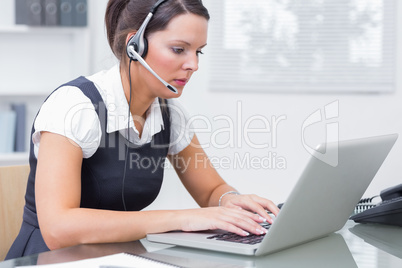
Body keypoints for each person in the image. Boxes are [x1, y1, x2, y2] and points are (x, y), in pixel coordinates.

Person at [6, 0, 279, 259]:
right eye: (178, 49)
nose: (193, 65)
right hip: (49, 258)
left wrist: (231, 201)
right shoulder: (74, 106)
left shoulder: (170, 115)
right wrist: (184, 218)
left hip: (117, 257)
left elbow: (211, 191)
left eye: (199, 51)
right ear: (134, 45)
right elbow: (59, 229)